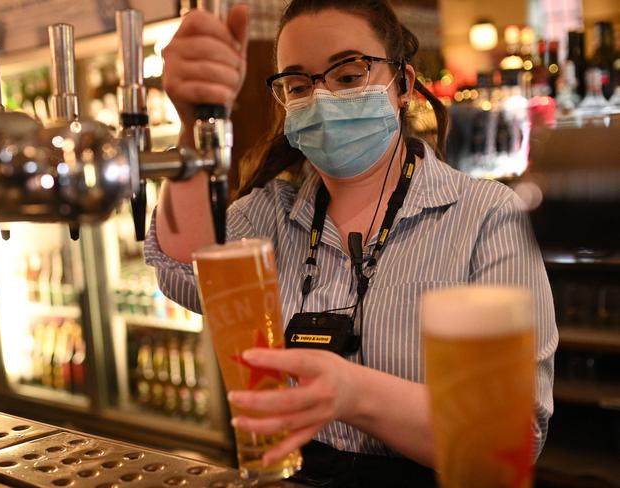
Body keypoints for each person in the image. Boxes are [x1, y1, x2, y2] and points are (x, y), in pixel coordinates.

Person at [145, 1, 558, 486]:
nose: (321, 99)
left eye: (347, 75)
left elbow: (513, 434)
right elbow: (181, 270)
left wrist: (352, 394)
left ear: (402, 85)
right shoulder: (270, 216)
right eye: (299, 86)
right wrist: (196, 124)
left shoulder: (485, 216)